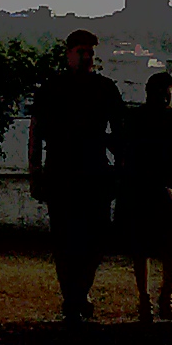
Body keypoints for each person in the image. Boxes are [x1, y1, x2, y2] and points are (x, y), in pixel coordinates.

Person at [27, 29, 122, 323]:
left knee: (95, 238)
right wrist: (35, 170)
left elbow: (120, 132)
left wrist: (120, 168)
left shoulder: (105, 88)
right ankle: (74, 295)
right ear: (68, 53)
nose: (87, 58)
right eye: (82, 52)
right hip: (62, 172)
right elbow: (36, 131)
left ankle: (77, 293)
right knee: (66, 239)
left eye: (90, 52)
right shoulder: (52, 88)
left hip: (93, 172)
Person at [117, 70, 172, 321]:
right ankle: (156, 299)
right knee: (157, 246)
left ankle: (153, 299)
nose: (164, 97)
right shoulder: (169, 120)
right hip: (150, 189)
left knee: (159, 246)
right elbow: (137, 157)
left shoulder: (141, 118)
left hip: (153, 190)